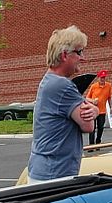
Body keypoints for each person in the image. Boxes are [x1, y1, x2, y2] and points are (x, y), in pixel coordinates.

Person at [26, 26, 99, 181]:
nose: (83, 57)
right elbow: (88, 126)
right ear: (65, 55)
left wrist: (92, 108)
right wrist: (95, 111)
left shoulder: (49, 81)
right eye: (79, 52)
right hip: (54, 174)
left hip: (43, 170)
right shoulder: (62, 86)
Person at [85, 70, 112, 145]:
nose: (102, 79)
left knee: (100, 127)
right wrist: (93, 101)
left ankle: (98, 140)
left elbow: (109, 97)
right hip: (93, 110)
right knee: (92, 128)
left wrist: (111, 107)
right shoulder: (94, 86)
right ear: (98, 78)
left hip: (102, 111)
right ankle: (91, 144)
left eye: (104, 78)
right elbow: (87, 98)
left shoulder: (108, 86)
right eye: (101, 78)